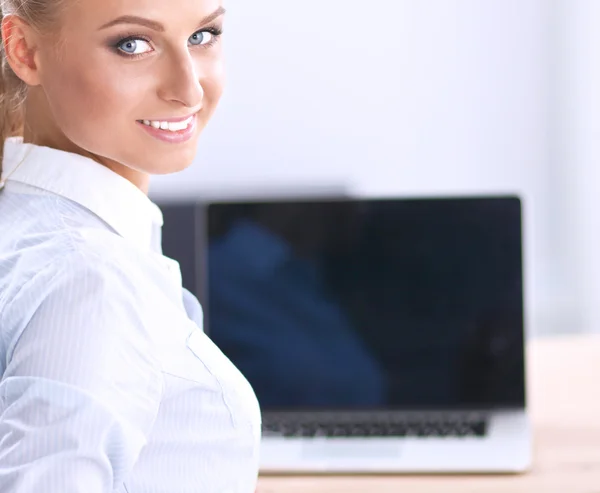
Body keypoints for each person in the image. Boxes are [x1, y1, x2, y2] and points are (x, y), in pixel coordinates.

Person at [0, 0, 261, 491]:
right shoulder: (89, 276)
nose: (188, 90)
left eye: (203, 36)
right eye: (132, 44)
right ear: (25, 51)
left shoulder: (32, 232)